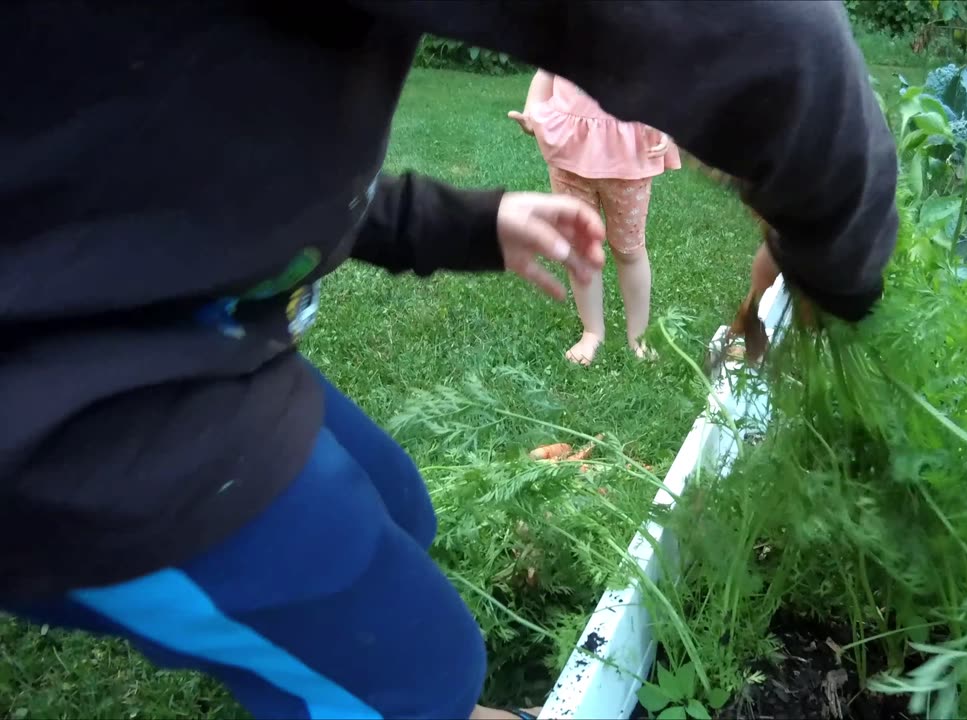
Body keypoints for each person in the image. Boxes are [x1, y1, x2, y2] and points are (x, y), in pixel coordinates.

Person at [0, 1, 900, 719]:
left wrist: (455, 224)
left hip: (162, 313)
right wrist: (845, 259)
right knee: (420, 675)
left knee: (398, 507)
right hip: (78, 425)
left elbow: (201, 158)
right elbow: (759, 31)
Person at [508, 71, 680, 365]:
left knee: (629, 249)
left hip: (629, 154)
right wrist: (532, 110)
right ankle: (592, 331)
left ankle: (638, 336)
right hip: (568, 149)